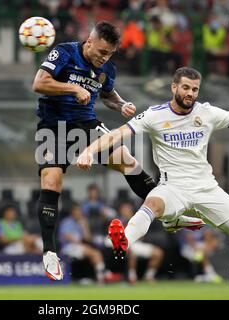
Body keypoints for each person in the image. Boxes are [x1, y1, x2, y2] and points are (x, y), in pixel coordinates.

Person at [77, 67, 229, 298]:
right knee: (152, 204)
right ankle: (124, 241)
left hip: (206, 189)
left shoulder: (207, 113)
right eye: (186, 87)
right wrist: (89, 150)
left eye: (195, 89)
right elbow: (116, 134)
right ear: (174, 87)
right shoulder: (154, 115)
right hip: (172, 187)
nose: (191, 93)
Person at [32, 21, 157, 281]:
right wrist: (73, 88)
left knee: (129, 162)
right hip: (53, 126)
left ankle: (171, 212)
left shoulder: (107, 67)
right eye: (101, 51)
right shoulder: (64, 52)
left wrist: (121, 105)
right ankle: (50, 253)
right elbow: (40, 83)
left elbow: (108, 94)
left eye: (109, 53)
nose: (104, 57)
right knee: (51, 181)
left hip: (87, 126)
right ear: (89, 41)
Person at [58, 203, 113, 283]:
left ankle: (100, 277)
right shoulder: (67, 221)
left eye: (80, 211)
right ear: (72, 212)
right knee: (94, 253)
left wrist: (84, 226)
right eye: (77, 211)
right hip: (68, 247)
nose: (79, 213)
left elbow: (87, 238)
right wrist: (80, 242)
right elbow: (67, 236)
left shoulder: (81, 222)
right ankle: (102, 276)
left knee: (96, 253)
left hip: (79, 247)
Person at [117, 201, 164, 283]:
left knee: (158, 253)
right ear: (120, 211)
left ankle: (149, 276)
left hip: (138, 244)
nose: (126, 210)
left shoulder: (137, 219)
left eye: (128, 208)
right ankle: (132, 277)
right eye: (124, 209)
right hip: (124, 246)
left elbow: (142, 235)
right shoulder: (117, 221)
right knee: (131, 251)